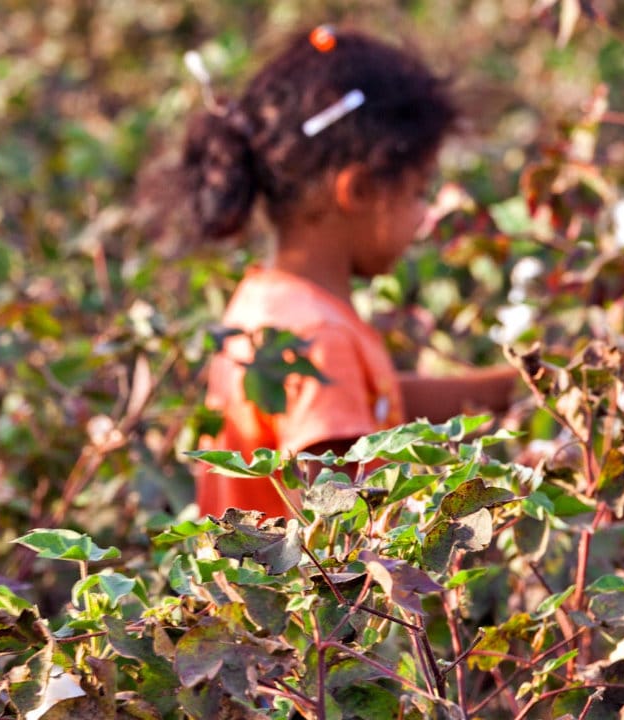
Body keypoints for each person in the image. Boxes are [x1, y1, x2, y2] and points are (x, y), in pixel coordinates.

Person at [178, 26, 519, 519]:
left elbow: (381, 403)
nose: (424, 215)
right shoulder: (318, 335)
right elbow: (340, 536)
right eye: (418, 190)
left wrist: (519, 386)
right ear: (358, 190)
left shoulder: (271, 301)